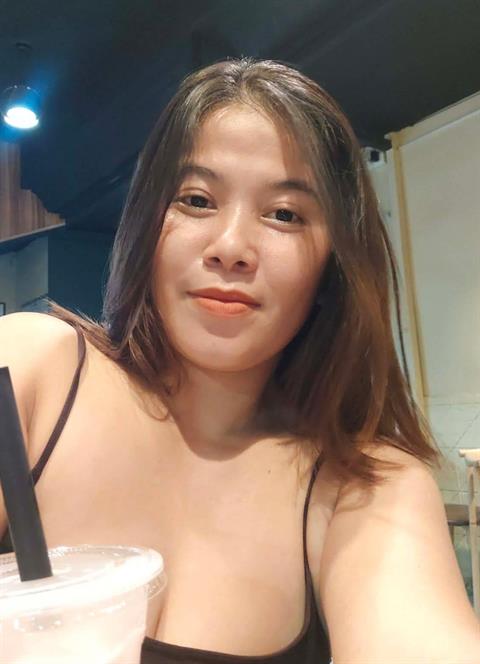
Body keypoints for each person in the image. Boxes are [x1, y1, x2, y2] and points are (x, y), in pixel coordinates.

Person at [0, 57, 478, 664]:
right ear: (148, 223)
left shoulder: (361, 485)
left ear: (333, 264)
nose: (230, 248)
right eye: (197, 200)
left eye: (284, 214)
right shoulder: (31, 373)